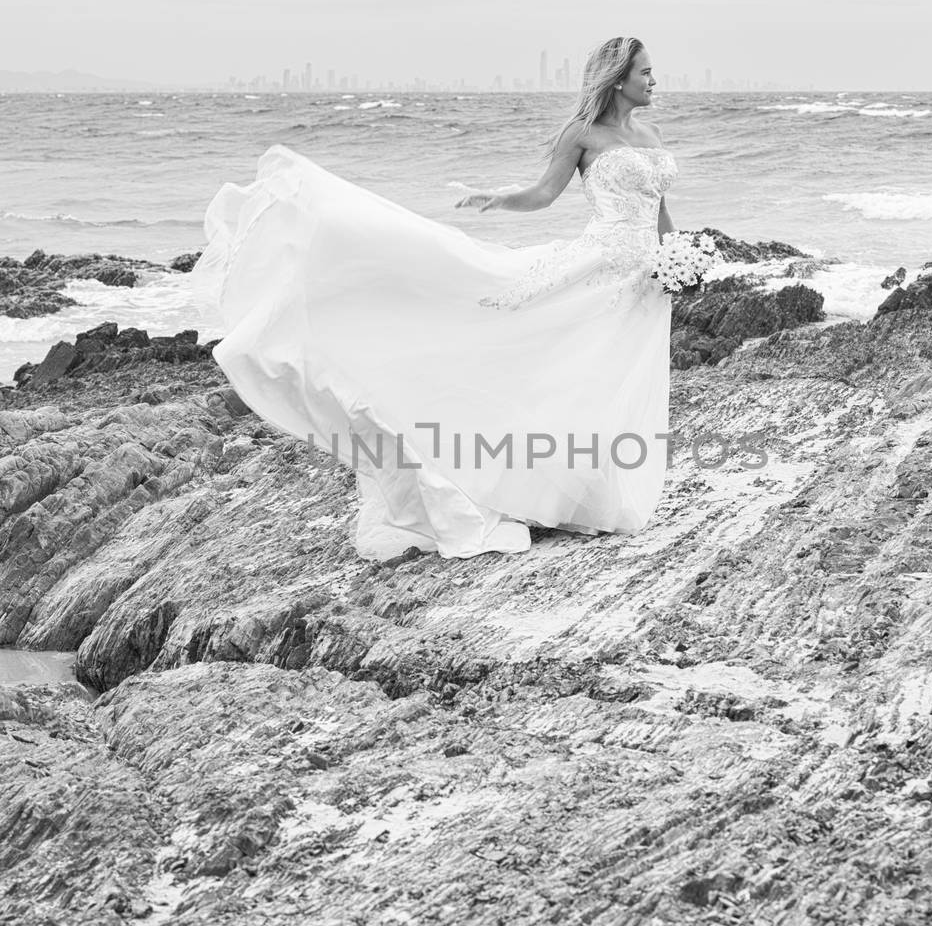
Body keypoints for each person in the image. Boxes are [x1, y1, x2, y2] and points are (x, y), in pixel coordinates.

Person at [189, 35, 678, 561]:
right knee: (557, 359)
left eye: (652, 72)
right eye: (646, 72)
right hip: (599, 266)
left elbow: (659, 209)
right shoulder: (582, 135)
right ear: (618, 78)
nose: (654, 80)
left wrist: (680, 259)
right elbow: (543, 194)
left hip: (646, 281)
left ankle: (597, 493)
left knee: (613, 379)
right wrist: (500, 199)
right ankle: (524, 484)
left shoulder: (649, 134)